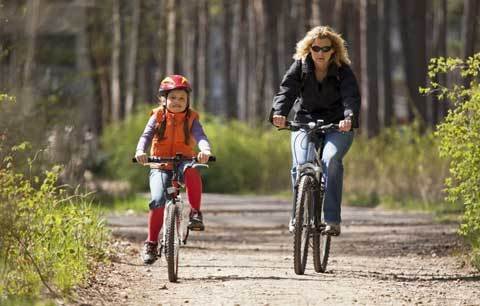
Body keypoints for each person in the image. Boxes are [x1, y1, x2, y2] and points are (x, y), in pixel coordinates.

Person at [269, 26, 360, 236]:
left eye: (325, 49)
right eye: (316, 48)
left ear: (333, 51)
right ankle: (297, 216)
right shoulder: (300, 67)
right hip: (305, 123)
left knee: (331, 160)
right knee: (300, 165)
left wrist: (349, 117)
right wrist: (279, 113)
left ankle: (331, 220)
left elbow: (351, 97)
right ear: (309, 49)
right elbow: (286, 92)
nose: (320, 53)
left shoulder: (343, 71)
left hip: (337, 125)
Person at [135, 74, 212, 264]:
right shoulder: (158, 116)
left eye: (182, 98)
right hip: (160, 163)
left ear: (187, 101)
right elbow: (146, 136)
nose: (177, 102)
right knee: (158, 200)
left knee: (192, 170)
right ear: (164, 99)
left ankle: (195, 213)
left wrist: (205, 149)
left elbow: (200, 136)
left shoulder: (191, 118)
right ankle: (151, 243)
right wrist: (140, 151)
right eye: (173, 98)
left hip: (183, 161)